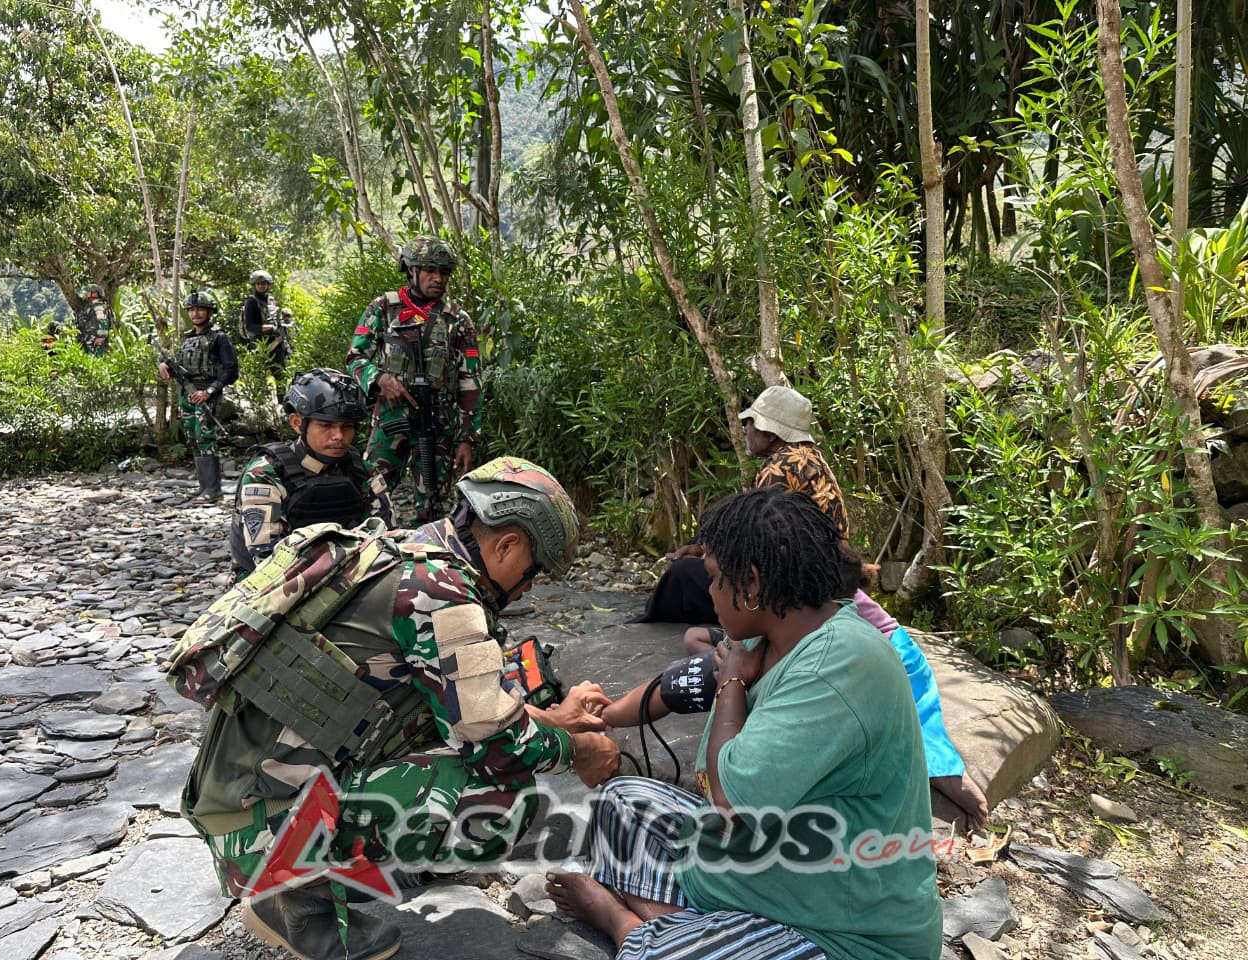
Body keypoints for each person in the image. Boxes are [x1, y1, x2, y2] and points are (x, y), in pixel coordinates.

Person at [181, 456, 621, 960]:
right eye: (533, 570)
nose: (528, 585)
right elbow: (500, 749)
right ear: (507, 544)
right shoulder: (442, 593)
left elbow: (464, 701)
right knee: (503, 795)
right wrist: (579, 747)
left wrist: (554, 718)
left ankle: (328, 865)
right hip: (260, 832)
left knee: (480, 734)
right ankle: (297, 902)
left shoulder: (404, 551)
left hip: (235, 800)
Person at [545, 487, 943, 960]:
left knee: (665, 955)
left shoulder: (836, 666)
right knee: (621, 801)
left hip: (842, 930)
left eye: (715, 579)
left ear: (751, 585)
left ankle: (624, 921)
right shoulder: (768, 640)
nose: (709, 593)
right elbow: (670, 692)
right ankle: (685, 925)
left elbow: (731, 799)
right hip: (765, 871)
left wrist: (731, 684)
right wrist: (605, 716)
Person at [639, 383, 989, 828]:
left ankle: (944, 777)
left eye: (752, 422)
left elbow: (757, 539)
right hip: (822, 590)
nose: (745, 428)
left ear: (770, 430)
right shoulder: (811, 461)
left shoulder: (778, 472)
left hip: (809, 596)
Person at [345, 235, 482, 525]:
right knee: (370, 492)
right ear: (411, 270)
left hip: (438, 421)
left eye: (444, 273)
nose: (438, 279)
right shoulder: (383, 308)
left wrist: (466, 438)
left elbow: (470, 382)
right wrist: (380, 378)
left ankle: (424, 565)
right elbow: (355, 357)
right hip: (391, 417)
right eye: (431, 271)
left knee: (432, 504)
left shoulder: (457, 320)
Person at [228, 368, 377, 578]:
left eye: (347, 427)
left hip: (351, 573)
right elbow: (265, 560)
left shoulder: (358, 467)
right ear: (297, 423)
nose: (338, 436)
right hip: (274, 586)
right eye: (326, 425)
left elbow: (386, 533)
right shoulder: (265, 473)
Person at [158, 289, 239, 502]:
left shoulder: (219, 338)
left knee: (205, 438)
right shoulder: (187, 339)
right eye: (192, 309)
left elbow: (231, 371)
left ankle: (213, 490)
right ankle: (204, 487)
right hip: (187, 394)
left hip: (206, 393)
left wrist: (210, 391)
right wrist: (165, 366)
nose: (195, 313)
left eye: (200, 309)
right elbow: (179, 366)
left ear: (210, 311)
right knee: (193, 439)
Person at [241, 268, 287, 375]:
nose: (262, 286)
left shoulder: (271, 300)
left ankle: (282, 393)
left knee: (281, 376)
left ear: (268, 285)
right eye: (259, 284)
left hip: (276, 342)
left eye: (264, 283)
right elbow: (250, 326)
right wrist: (270, 328)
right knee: (259, 378)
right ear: (254, 285)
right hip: (259, 343)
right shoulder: (251, 302)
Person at [75, 283, 114, 354]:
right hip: (89, 341)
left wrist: (100, 338)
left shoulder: (98, 306)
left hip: (94, 343)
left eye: (88, 291)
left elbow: (103, 322)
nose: (86, 293)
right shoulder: (92, 306)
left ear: (95, 294)